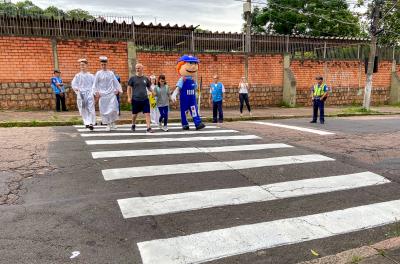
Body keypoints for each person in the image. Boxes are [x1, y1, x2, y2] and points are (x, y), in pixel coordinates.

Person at [171, 55, 205, 130]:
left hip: (192, 99)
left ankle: (198, 123)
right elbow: (178, 87)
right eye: (190, 63)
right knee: (184, 111)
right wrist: (174, 94)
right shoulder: (182, 79)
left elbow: (195, 88)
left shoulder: (193, 79)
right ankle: (185, 124)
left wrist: (197, 92)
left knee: (194, 111)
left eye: (195, 64)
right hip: (184, 98)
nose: (193, 66)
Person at [92, 56, 123, 131]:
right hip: (103, 95)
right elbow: (94, 84)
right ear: (100, 65)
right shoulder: (98, 73)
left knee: (113, 108)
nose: (103, 66)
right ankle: (108, 124)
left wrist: (118, 90)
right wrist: (95, 92)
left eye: (104, 64)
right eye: (102, 65)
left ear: (107, 64)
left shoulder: (111, 73)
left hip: (111, 94)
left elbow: (115, 82)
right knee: (104, 110)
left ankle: (113, 122)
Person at [127, 63, 153, 133]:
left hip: (145, 99)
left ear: (142, 69)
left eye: (139, 68)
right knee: (134, 115)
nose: (137, 69)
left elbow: (149, 87)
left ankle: (148, 127)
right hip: (135, 99)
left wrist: (153, 92)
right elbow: (128, 88)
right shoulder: (132, 78)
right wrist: (129, 97)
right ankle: (133, 125)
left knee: (147, 113)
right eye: (136, 68)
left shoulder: (145, 78)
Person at [71, 58, 96, 131]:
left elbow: (94, 85)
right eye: (81, 65)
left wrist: (94, 92)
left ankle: (91, 123)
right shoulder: (77, 75)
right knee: (83, 108)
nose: (82, 66)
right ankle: (86, 122)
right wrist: (76, 89)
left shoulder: (91, 76)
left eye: (83, 65)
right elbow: (73, 84)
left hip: (89, 93)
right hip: (81, 94)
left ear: (86, 66)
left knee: (90, 108)